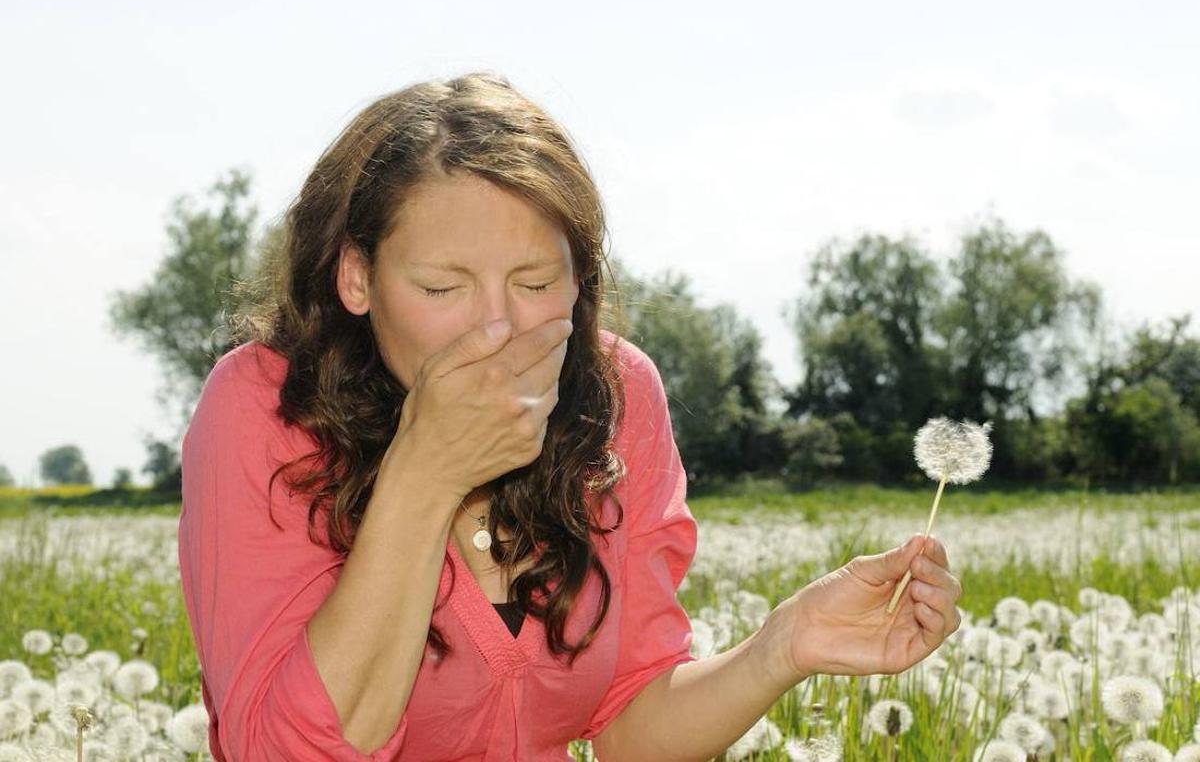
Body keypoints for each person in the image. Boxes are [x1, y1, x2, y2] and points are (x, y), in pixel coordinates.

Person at [176, 72, 964, 762]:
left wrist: (784, 647)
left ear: (581, 277)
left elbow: (629, 724)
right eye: (443, 289)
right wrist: (424, 477)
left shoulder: (617, 395)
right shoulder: (262, 408)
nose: (499, 330)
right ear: (357, 276)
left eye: (535, 282)